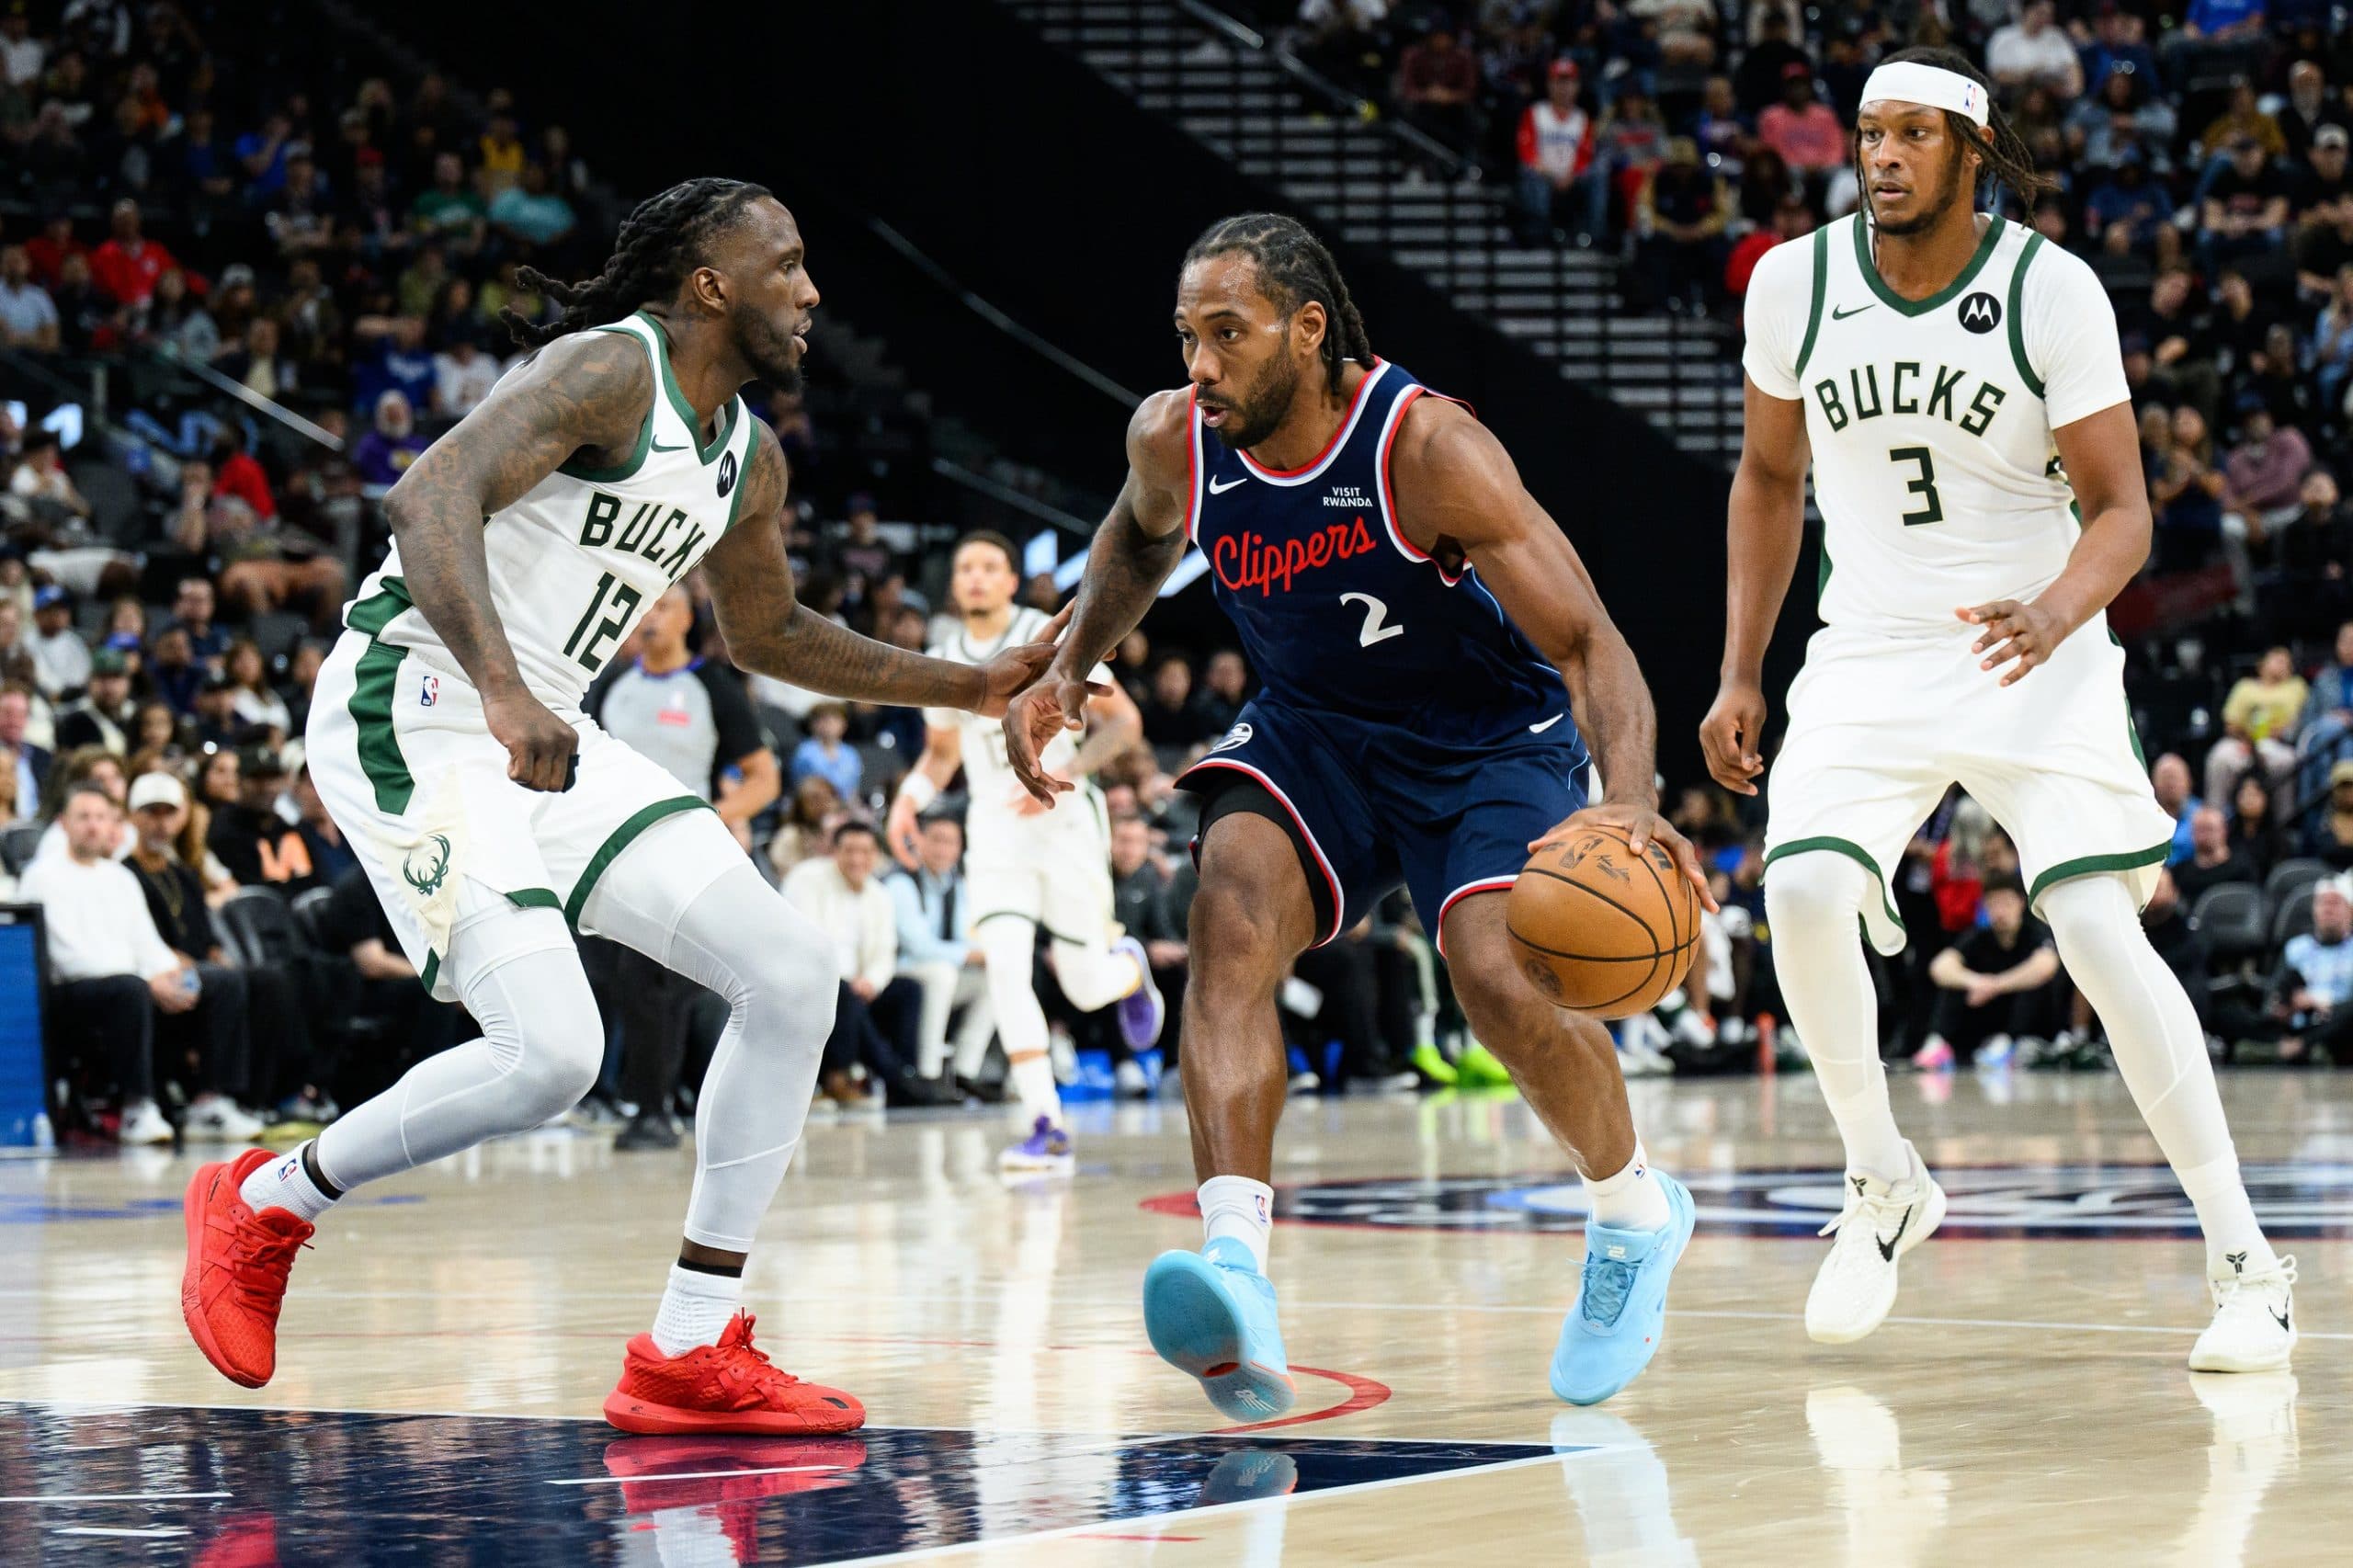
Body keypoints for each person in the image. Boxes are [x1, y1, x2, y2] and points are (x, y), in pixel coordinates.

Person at [180, 177, 1065, 1432]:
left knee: (792, 970)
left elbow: (766, 632)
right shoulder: (609, 368)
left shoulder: (744, 455)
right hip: (419, 701)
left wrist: (974, 683)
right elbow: (427, 496)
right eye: (790, 266)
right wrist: (502, 689)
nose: (813, 294)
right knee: (554, 1055)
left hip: (548, 731)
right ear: (710, 283)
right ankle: (266, 1200)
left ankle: (688, 1346)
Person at [1002, 211, 1711, 1419]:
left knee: (1495, 971)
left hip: (1485, 736)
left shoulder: (1427, 446)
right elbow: (1134, 529)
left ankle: (1633, 1210)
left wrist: (1630, 805)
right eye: (1187, 336)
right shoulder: (1177, 437)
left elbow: (1590, 640)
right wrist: (1072, 659)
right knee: (1225, 897)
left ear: (1309, 327)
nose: (1201, 364)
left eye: (1227, 334)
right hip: (1317, 729)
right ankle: (1237, 1270)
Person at [1709, 48, 2294, 1373]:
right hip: (1869, 648)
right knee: (1796, 898)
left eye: (1914, 134)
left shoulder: (2050, 289)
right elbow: (1762, 477)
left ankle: (2246, 1261)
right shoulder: (1795, 283)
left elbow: (2127, 511)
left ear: (1973, 152)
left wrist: (2058, 607)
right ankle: (1883, 1176)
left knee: (2094, 923)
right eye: (1870, 134)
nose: (1884, 157)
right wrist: (1743, 668)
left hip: (2037, 644)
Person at [888, 531, 1157, 1172]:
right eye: (964, 568)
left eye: (989, 566)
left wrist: (1072, 772)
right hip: (995, 832)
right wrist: (907, 798)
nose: (975, 577)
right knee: (1006, 971)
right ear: (954, 584)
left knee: (1087, 986)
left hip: (1062, 822)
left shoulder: (1050, 630)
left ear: (1012, 580)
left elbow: (1125, 724)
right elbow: (942, 751)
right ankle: (1046, 1121)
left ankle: (1130, 970)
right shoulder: (945, 651)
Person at [585, 585, 781, 1151]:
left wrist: (712, 818)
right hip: (613, 853)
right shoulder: (611, 687)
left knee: (662, 985)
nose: (650, 617)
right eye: (642, 605)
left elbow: (764, 778)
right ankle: (639, 1099)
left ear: (688, 618)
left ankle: (655, 1108)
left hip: (681, 855)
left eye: (663, 605)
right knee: (622, 981)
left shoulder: (713, 686)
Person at [22, 784, 202, 1145]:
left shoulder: (120, 877)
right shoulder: (41, 876)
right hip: (69, 994)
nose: (93, 826)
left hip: (127, 982)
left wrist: (175, 974)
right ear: (63, 824)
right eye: (83, 817)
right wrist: (148, 980)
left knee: (215, 983)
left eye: (101, 818)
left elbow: (147, 943)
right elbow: (65, 957)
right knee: (130, 989)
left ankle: (212, 1101)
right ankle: (138, 1107)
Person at [122, 771, 268, 1140]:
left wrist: (218, 957)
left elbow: (207, 938)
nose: (161, 823)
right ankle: (208, 1099)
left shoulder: (185, 874)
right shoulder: (126, 874)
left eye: (168, 813)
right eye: (151, 813)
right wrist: (194, 965)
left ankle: (259, 1096)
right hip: (159, 971)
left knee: (256, 980)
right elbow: (141, 941)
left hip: (195, 966)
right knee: (223, 982)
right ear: (134, 817)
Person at [782, 820, 943, 1106]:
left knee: (909, 990)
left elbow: (885, 953)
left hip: (860, 987)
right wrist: (849, 981)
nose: (857, 859)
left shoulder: (879, 894)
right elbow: (807, 945)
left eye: (865, 852)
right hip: (814, 985)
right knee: (842, 993)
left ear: (875, 856)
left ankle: (905, 1074)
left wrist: (871, 981)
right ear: (834, 851)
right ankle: (852, 1077)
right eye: (849, 850)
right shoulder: (805, 879)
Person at [887, 811, 996, 1096]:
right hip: (899, 970)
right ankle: (929, 1072)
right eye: (936, 840)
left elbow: (966, 935)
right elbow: (917, 946)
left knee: (993, 980)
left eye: (951, 842)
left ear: (960, 848)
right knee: (942, 973)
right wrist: (969, 956)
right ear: (919, 840)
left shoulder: (957, 885)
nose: (942, 849)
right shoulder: (902, 882)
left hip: (939, 972)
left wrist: (985, 955)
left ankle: (965, 1071)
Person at [1913, 877, 2064, 1069]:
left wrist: (1996, 985)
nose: (2000, 912)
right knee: (1955, 982)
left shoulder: (2035, 932)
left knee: (2032, 983)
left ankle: (2008, 1045)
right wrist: (1975, 982)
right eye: (1994, 904)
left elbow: (2045, 966)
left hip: (2030, 1021)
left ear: (2020, 903)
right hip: (1986, 1013)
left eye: (2006, 903)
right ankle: (1937, 1043)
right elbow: (1940, 967)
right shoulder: (1979, 936)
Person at [2205, 646, 2307, 804]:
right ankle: (2215, 818)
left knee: (2287, 762)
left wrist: (2278, 733)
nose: (2283, 665)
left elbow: (2302, 720)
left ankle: (2285, 823)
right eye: (2278, 660)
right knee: (2220, 758)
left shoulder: (2297, 687)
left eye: (2287, 662)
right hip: (2242, 741)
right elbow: (2230, 724)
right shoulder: (2245, 686)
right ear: (2261, 664)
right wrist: (2249, 741)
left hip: (2279, 744)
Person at [2268, 877, 2353, 1062]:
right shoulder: (2296, 947)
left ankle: (2302, 1046)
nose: (2328, 909)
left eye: (2335, 903)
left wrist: (2324, 1004)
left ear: (2350, 912)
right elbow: (2277, 988)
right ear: (2314, 910)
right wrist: (2282, 1005)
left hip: (2340, 1024)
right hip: (2301, 1021)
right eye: (2323, 903)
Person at [52, 646, 133, 754]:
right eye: (102, 678)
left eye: (115, 678)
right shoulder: (74, 721)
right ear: (89, 682)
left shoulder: (138, 714)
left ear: (128, 681)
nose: (109, 687)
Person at [2173, 805, 2258, 903]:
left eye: (2209, 829)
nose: (2203, 836)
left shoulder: (2242, 869)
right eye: (2198, 830)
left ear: (2224, 831)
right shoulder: (2180, 872)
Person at [28, 585, 90, 699]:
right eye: (51, 609)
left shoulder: (74, 641)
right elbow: (39, 679)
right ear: (36, 615)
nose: (58, 614)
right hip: (40, 700)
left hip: (74, 700)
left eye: (62, 609)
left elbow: (83, 677)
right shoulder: (27, 642)